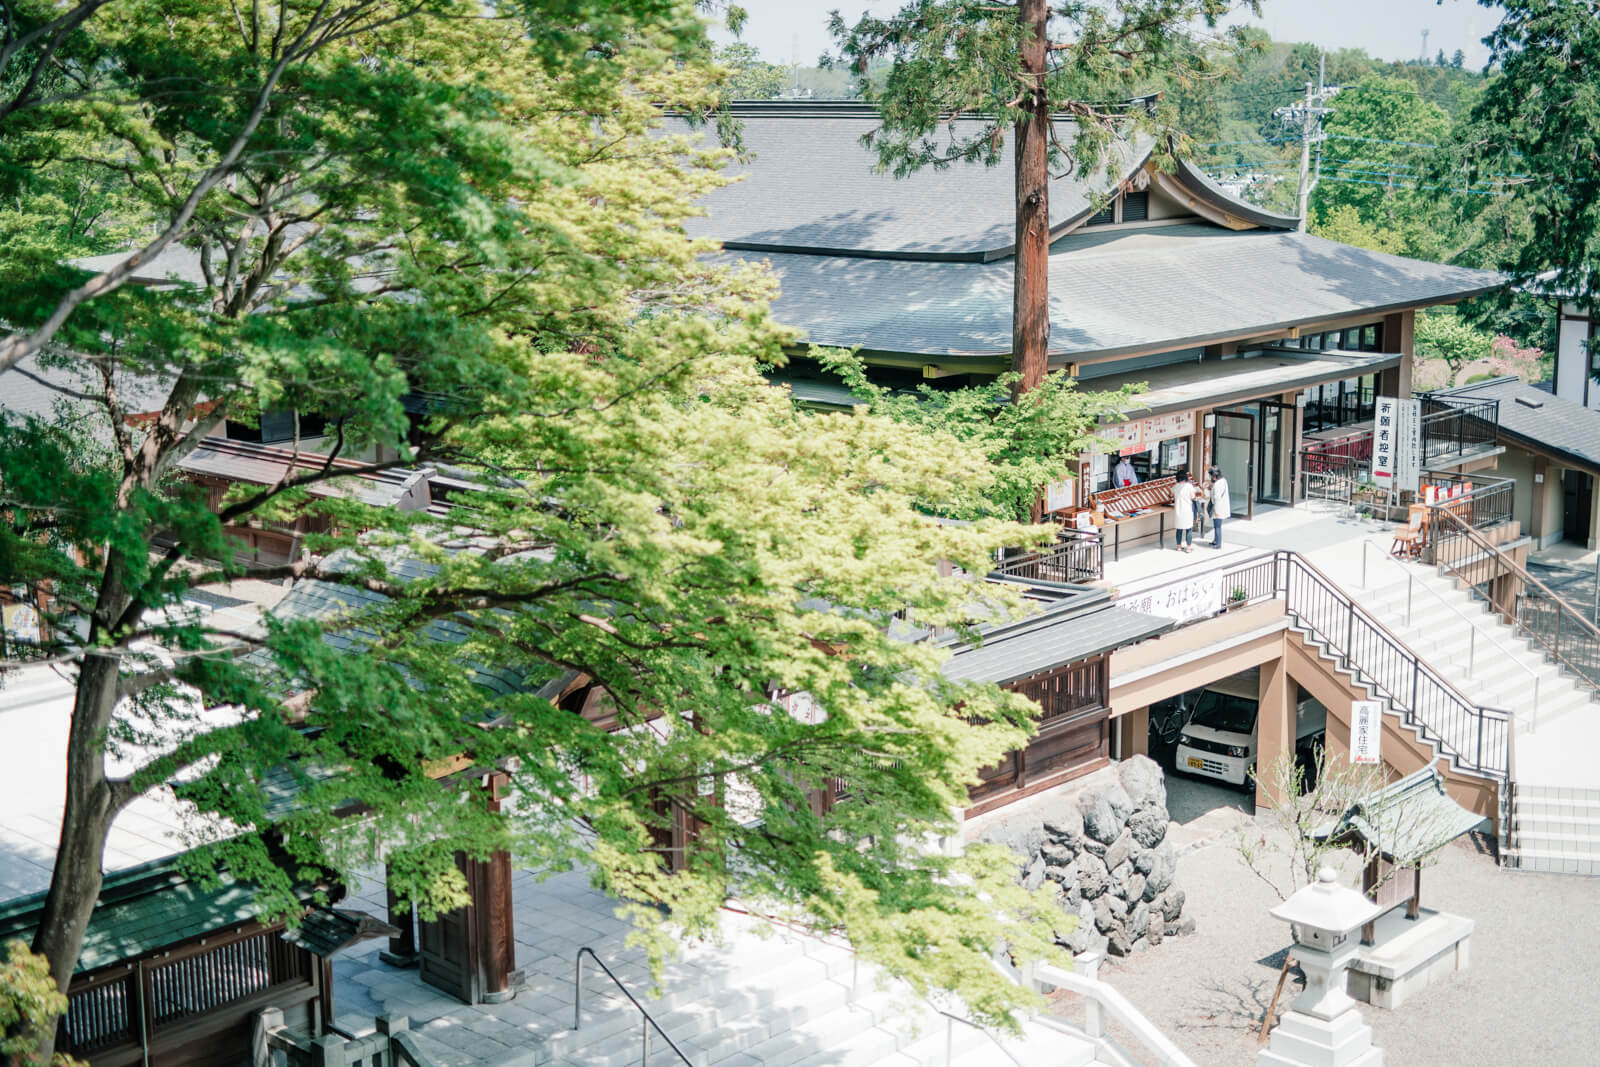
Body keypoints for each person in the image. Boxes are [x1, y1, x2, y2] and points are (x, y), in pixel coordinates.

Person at [1172, 468, 1195, 552]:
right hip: (1187, 510)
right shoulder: (1189, 486)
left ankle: (1179, 546)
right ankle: (1188, 547)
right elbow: (1193, 496)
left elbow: (1170, 495)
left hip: (1178, 510)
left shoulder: (1175, 486)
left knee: (1179, 529)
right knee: (1188, 529)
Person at [1208, 466, 1231, 548]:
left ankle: (1218, 543)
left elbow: (1217, 498)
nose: (1210, 477)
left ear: (1214, 475)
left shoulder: (1217, 484)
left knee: (1217, 526)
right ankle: (1215, 540)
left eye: (1211, 475)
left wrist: (1216, 511)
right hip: (1222, 506)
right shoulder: (1223, 480)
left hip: (1218, 508)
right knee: (1217, 525)